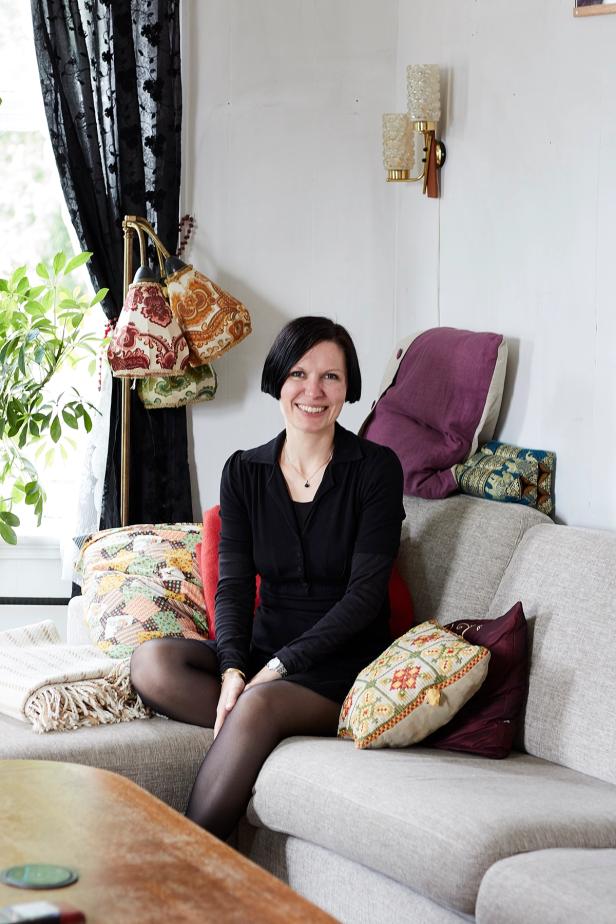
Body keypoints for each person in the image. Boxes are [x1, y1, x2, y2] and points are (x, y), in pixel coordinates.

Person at [130, 316, 405, 841]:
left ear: (349, 389)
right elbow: (232, 584)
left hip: (341, 664)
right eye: (299, 373)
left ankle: (187, 877)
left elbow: (367, 597)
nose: (313, 391)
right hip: (264, 648)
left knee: (257, 703)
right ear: (278, 379)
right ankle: (258, 725)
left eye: (331, 377)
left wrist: (278, 669)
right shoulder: (243, 471)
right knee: (152, 663)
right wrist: (234, 667)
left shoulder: (376, 469)